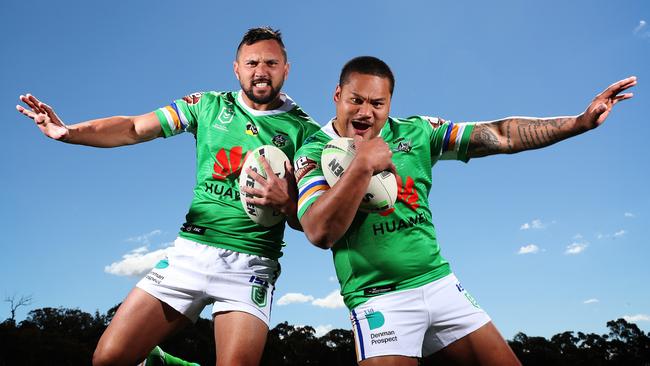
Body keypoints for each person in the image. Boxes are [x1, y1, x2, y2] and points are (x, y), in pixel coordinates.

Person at [293, 56, 635, 365]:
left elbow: (500, 136)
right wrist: (362, 164)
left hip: (439, 285)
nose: (366, 112)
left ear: (389, 104)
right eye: (356, 100)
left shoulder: (417, 131)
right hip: (379, 300)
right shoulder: (313, 151)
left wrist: (579, 122)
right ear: (337, 95)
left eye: (377, 103)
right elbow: (319, 231)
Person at [16, 27, 321, 366]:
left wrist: (287, 203)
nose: (261, 71)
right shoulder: (206, 106)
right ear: (236, 68)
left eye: (271, 62)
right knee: (108, 359)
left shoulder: (307, 133)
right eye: (251, 63)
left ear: (286, 68)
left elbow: (310, 223)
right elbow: (133, 128)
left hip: (251, 263)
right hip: (190, 253)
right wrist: (69, 132)